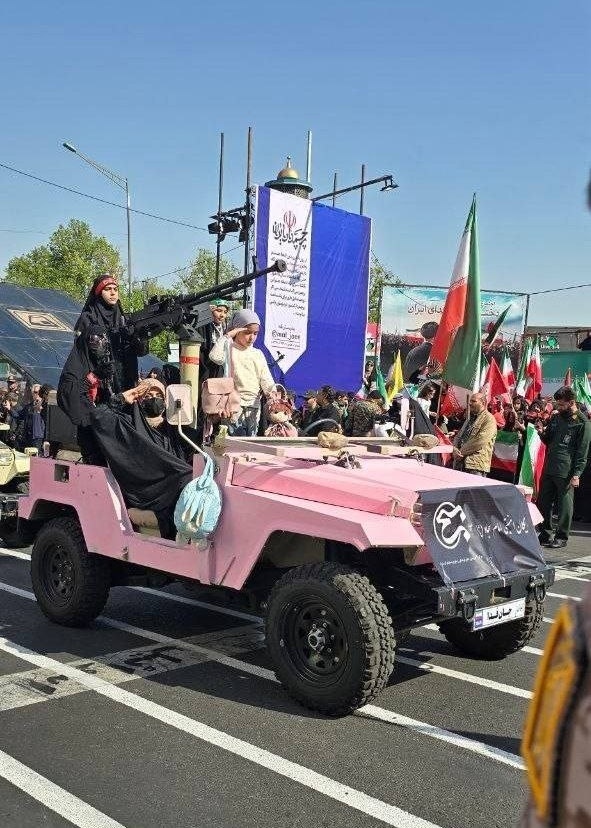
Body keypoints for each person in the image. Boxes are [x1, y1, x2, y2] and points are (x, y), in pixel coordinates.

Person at [536, 386, 591, 549]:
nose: (558, 408)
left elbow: (583, 451)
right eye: (557, 405)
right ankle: (545, 533)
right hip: (550, 466)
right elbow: (549, 440)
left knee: (565, 505)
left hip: (566, 471)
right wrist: (541, 432)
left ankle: (561, 536)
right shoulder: (556, 418)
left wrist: (577, 474)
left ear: (571, 402)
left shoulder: (583, 423)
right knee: (543, 502)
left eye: (561, 405)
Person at [75, 273, 148, 393]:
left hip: (128, 387)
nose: (113, 293)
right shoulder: (88, 318)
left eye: (115, 289)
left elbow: (141, 352)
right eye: (108, 289)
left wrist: (141, 335)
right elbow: (81, 355)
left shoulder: (124, 320)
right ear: (99, 293)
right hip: (99, 388)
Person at [208, 308, 275, 437]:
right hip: (233, 407)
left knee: (250, 447)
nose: (252, 337)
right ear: (238, 330)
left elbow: (266, 379)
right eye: (247, 332)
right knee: (234, 448)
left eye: (255, 333)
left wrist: (273, 395)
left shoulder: (258, 354)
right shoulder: (229, 348)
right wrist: (228, 335)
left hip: (254, 408)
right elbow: (214, 356)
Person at [57, 325, 116, 464]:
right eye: (95, 340)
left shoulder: (102, 364)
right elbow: (67, 394)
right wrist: (94, 376)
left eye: (102, 339)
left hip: (107, 430)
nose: (99, 344)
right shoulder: (75, 367)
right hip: (89, 434)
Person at [452, 392, 498, 476]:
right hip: (460, 463)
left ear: (483, 403)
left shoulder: (489, 419)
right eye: (470, 401)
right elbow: (459, 436)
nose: (470, 403)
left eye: (473, 401)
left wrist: (460, 452)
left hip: (475, 466)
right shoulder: (469, 418)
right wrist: (454, 449)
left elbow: (480, 440)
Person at [198, 298, 230, 383]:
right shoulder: (203, 326)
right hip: (204, 373)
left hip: (220, 373)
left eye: (225, 312)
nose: (222, 315)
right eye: (219, 311)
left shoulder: (225, 329)